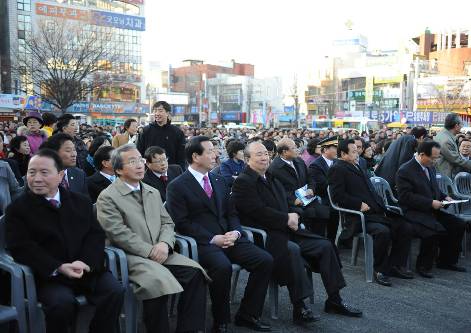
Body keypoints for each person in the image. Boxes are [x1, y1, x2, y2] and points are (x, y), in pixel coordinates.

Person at [232, 141, 362, 325]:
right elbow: (257, 211)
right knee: (292, 251)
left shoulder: (270, 176)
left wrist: (294, 215)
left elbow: (286, 203)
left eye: (266, 154)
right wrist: (286, 218)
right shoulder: (244, 182)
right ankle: (299, 307)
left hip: (286, 230)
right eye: (259, 154)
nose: (264, 157)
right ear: (247, 159)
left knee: (325, 245)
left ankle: (334, 299)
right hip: (265, 236)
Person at [5, 149, 124, 333]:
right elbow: (21, 247)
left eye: (44, 172)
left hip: (85, 269)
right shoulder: (18, 209)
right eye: (31, 172)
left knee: (114, 291)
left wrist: (85, 262)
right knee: (61, 304)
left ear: (60, 175)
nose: (36, 178)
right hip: (49, 276)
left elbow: (95, 236)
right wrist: (59, 266)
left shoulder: (80, 201)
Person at [97, 144, 208, 333]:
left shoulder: (151, 191)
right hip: (131, 257)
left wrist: (164, 244)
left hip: (161, 251)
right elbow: (118, 233)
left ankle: (188, 329)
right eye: (132, 162)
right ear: (118, 170)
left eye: (140, 159)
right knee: (157, 282)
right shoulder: (108, 197)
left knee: (195, 274)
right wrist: (149, 250)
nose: (140, 165)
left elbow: (167, 223)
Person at [167, 136, 274, 333]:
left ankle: (248, 314)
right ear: (195, 156)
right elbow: (181, 223)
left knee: (265, 260)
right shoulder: (177, 185)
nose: (216, 155)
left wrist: (235, 231)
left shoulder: (218, 179)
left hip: (228, 237)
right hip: (202, 242)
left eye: (215, 150)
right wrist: (212, 238)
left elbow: (231, 212)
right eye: (210, 151)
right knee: (222, 267)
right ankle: (221, 320)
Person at [328, 139, 414, 286]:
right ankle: (379, 270)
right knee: (383, 232)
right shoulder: (337, 168)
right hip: (357, 216)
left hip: (375, 213)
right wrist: (358, 204)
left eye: (358, 150)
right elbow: (337, 196)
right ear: (343, 154)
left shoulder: (358, 165)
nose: (357, 154)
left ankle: (393, 265)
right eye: (354, 151)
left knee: (405, 227)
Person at [396, 141, 467, 277]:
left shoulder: (430, 167)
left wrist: (445, 197)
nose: (436, 161)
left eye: (437, 157)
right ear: (422, 155)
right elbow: (406, 197)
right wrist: (430, 203)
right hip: (413, 212)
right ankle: (423, 266)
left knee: (458, 224)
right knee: (434, 229)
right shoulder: (405, 170)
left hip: (431, 209)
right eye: (433, 158)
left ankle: (447, 261)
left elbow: (434, 188)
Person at [269, 138, 332, 235]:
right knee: (307, 215)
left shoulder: (299, 161)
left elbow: (310, 177)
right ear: (285, 152)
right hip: (290, 204)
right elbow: (277, 190)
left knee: (324, 212)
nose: (297, 150)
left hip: (307, 198)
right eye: (294, 148)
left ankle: (321, 239)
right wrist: (293, 200)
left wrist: (311, 188)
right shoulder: (274, 168)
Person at [137, 101, 186, 168]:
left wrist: (180, 171)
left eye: (160, 111)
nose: (157, 113)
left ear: (167, 113)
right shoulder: (145, 131)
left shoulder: (177, 132)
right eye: (155, 111)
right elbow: (139, 152)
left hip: (171, 171)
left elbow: (182, 156)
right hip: (150, 171)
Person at [307, 137, 339, 240]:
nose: (337, 150)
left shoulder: (337, 162)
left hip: (337, 196)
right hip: (325, 199)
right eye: (334, 148)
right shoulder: (316, 165)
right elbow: (324, 186)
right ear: (325, 150)